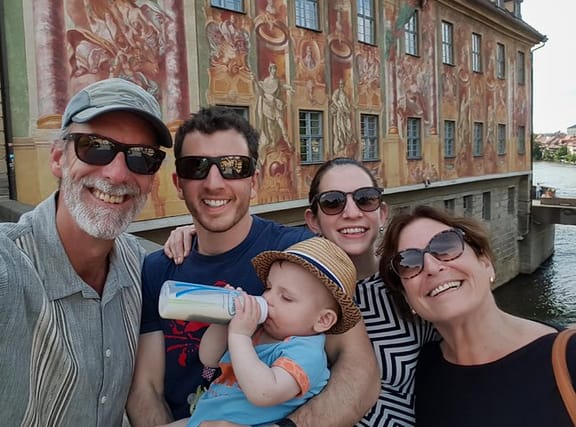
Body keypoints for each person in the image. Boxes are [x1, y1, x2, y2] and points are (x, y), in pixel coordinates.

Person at [0, 77, 173, 425]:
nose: (118, 172)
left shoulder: (142, 268)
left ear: (152, 178)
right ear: (59, 158)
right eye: (95, 146)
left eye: (142, 157)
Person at [126, 108, 380, 427]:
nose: (214, 183)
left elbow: (360, 370)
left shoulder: (297, 254)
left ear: (254, 181)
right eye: (197, 167)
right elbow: (146, 388)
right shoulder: (158, 268)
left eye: (234, 167)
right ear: (179, 183)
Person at [166, 157, 439, 426]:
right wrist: (198, 230)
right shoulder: (289, 282)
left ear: (381, 212)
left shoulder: (408, 282)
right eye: (333, 202)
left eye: (365, 199)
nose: (352, 212)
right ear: (313, 220)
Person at [377, 205, 576, 426]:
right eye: (409, 262)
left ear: (486, 262)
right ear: (407, 298)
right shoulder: (424, 369)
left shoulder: (569, 356)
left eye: (446, 246)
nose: (432, 267)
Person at [161, 237, 362, 427]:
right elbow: (208, 358)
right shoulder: (257, 331)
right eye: (268, 287)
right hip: (201, 419)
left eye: (286, 298)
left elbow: (263, 393)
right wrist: (224, 321)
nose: (268, 299)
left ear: (322, 320)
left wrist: (239, 336)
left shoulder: (306, 353)